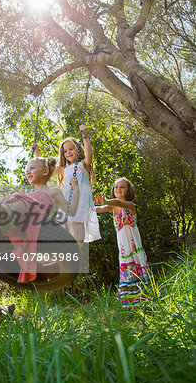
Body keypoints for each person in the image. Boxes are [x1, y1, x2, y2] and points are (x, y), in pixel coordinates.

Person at [32, 125, 100, 246]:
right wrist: (36, 153)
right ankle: (63, 250)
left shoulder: (83, 164)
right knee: (61, 225)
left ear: (78, 149)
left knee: (77, 223)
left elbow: (89, 154)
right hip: (67, 201)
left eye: (71, 149)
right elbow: (45, 168)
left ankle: (78, 249)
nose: (68, 152)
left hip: (81, 198)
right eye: (65, 151)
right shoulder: (64, 168)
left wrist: (85, 135)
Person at [95, 177, 152, 307]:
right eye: (116, 187)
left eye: (122, 187)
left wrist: (106, 200)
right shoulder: (111, 207)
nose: (118, 189)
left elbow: (119, 203)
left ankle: (146, 300)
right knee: (127, 268)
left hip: (133, 244)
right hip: (123, 246)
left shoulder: (130, 205)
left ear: (128, 190)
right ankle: (132, 302)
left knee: (137, 264)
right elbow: (98, 209)